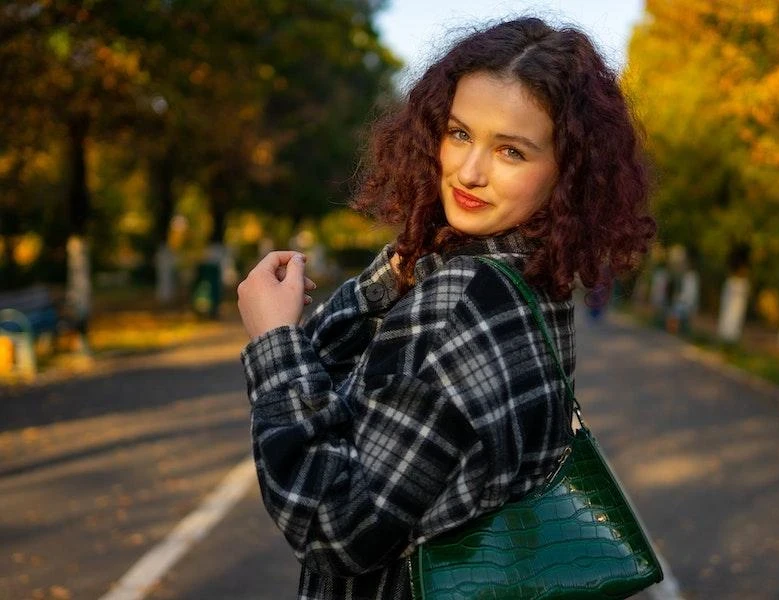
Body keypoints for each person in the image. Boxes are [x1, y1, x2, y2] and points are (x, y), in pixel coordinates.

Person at [236, 17, 655, 600]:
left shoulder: (460, 299)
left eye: (511, 150)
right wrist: (394, 275)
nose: (469, 171)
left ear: (567, 173)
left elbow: (335, 526)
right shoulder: (531, 283)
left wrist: (272, 341)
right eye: (459, 134)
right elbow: (342, 391)